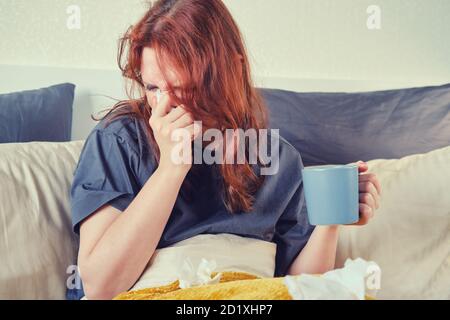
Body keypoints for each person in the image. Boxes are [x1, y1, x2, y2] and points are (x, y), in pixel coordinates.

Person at [69, 0, 381, 300]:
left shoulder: (278, 159)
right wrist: (170, 170)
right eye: (153, 88)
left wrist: (331, 218)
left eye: (184, 89)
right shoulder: (120, 140)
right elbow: (101, 287)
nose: (163, 106)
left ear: (232, 72)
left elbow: (301, 287)